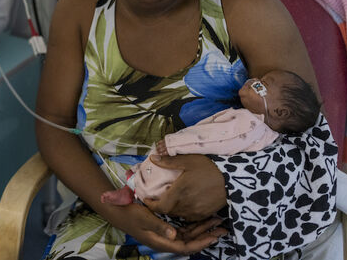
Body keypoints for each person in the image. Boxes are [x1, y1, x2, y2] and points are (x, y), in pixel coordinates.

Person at [34, 0, 338, 260]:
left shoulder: (246, 9)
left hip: (227, 234)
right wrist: (119, 212)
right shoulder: (82, 7)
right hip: (109, 221)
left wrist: (229, 181)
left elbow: (311, 141)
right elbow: (52, 121)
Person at [101, 70, 321, 206]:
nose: (252, 80)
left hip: (190, 162)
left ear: (280, 112)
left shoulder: (249, 123)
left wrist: (173, 144)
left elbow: (212, 139)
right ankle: (132, 190)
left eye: (260, 84)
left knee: (158, 172)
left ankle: (133, 191)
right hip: (205, 180)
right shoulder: (267, 138)